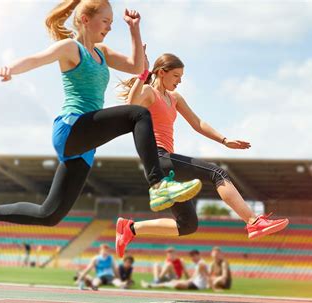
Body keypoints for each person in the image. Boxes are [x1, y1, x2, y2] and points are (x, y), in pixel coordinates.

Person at [0, 0, 202, 257]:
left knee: (50, 214)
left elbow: (138, 67)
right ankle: (158, 184)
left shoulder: (102, 52)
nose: (109, 28)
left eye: (112, 24)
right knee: (138, 114)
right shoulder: (72, 48)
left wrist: (134, 30)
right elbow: (36, 59)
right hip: (71, 128)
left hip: (85, 144)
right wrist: (10, 70)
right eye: (105, 22)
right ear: (85, 20)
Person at [116, 51, 289, 245]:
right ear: (161, 72)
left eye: (181, 77)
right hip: (158, 158)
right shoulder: (149, 92)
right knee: (217, 173)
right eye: (176, 76)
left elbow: (198, 123)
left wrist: (224, 140)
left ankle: (129, 229)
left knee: (188, 225)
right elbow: (130, 106)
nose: (179, 81)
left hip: (168, 163)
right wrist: (143, 72)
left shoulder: (175, 98)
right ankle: (253, 221)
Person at [141, 249, 208, 290]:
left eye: (194, 256)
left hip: (197, 285)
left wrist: (184, 281)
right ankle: (153, 284)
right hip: (196, 283)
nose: (192, 258)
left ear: (198, 255)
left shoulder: (201, 264)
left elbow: (195, 277)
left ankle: (153, 284)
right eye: (192, 256)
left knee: (175, 284)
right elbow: (203, 276)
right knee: (172, 283)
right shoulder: (200, 263)